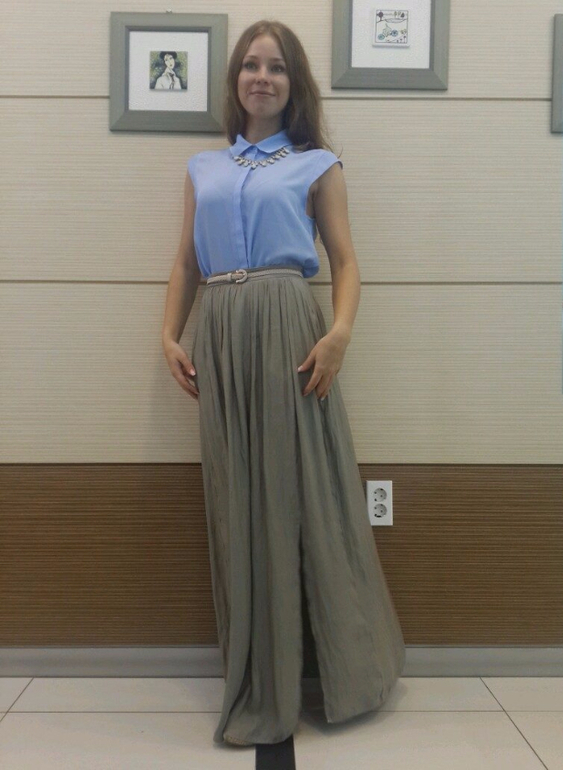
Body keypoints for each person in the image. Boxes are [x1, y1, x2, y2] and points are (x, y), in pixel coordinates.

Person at [161, 19, 406, 748]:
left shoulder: (316, 164)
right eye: (250, 65)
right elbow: (186, 263)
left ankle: (339, 670)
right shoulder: (203, 169)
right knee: (237, 496)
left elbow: (347, 261)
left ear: (293, 83)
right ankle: (259, 670)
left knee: (305, 494)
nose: (261, 77)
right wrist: (168, 334)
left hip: (289, 326)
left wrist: (340, 334)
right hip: (221, 332)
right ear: (234, 79)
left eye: (275, 67)